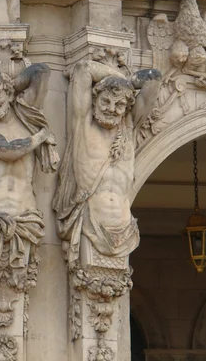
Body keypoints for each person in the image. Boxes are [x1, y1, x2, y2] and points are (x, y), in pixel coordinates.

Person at [53, 61, 160, 271]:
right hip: (92, 221)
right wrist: (121, 79)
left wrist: (126, 87)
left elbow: (153, 79)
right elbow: (84, 69)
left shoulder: (128, 127)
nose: (112, 109)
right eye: (106, 102)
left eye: (119, 104)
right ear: (94, 101)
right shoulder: (84, 123)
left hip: (123, 227)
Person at [0, 64, 58, 284]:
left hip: (25, 216)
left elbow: (41, 73)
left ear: (8, 93)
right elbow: (7, 151)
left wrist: (9, 83)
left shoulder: (26, 117)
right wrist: (40, 137)